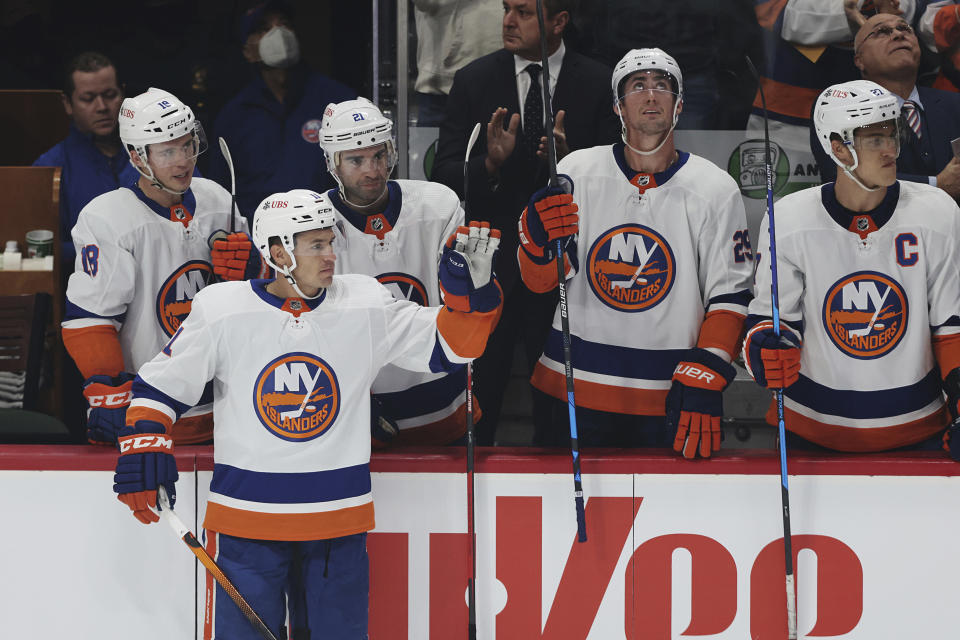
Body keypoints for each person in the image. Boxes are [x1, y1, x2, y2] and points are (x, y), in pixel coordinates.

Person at [111, 190, 502, 639]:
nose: (331, 255)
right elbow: (160, 384)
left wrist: (471, 299)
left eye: (330, 242)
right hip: (247, 523)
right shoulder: (222, 309)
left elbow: (455, 348)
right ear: (277, 253)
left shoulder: (365, 303)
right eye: (315, 245)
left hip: (338, 523)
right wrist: (144, 444)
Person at [518, 48, 753, 454]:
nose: (650, 94)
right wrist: (536, 241)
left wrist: (708, 370)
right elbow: (542, 282)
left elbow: (730, 297)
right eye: (637, 85)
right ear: (618, 106)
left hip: (670, 393)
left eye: (662, 85)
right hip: (571, 388)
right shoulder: (577, 171)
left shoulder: (714, 188)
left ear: (679, 104)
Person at [431, 0, 619, 444]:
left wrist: (575, 163)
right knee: (480, 410)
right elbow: (443, 176)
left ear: (559, 22)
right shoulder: (474, 79)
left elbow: (617, 181)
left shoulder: (596, 82)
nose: (508, 21)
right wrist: (489, 165)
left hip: (564, 273)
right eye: (506, 9)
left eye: (524, 12)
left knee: (558, 415)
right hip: (489, 273)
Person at [746, 79, 960, 453]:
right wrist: (765, 349)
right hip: (812, 430)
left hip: (917, 427)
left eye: (892, 135)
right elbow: (770, 322)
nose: (891, 149)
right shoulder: (789, 219)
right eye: (875, 139)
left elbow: (951, 326)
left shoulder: (937, 211)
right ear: (839, 149)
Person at [61, 88, 248, 446]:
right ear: (137, 156)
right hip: (148, 410)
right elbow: (91, 319)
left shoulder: (217, 198)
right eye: (167, 151)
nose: (183, 161)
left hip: (226, 407)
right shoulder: (109, 217)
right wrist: (109, 389)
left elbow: (259, 301)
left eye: (187, 145)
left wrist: (251, 272)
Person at [319, 97, 474, 445]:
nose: (372, 170)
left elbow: (462, 307)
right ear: (333, 162)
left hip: (441, 399)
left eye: (379, 155)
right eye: (356, 160)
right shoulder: (313, 223)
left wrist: (472, 283)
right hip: (353, 410)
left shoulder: (439, 206)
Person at [207, 1, 356, 221]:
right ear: (248, 51)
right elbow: (219, 193)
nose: (278, 34)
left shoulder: (337, 101)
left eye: (284, 24)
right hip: (260, 241)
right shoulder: (235, 116)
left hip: (328, 234)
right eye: (263, 29)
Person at [810, 12, 960, 196]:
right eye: (881, 32)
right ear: (860, 60)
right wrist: (935, 185)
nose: (898, 34)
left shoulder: (955, 105)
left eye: (904, 28)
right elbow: (842, 175)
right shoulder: (838, 109)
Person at [33, 52, 139, 267]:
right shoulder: (50, 167)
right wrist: (112, 248)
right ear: (68, 103)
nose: (101, 107)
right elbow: (40, 250)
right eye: (88, 99)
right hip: (84, 290)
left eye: (110, 94)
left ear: (123, 95)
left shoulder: (156, 153)